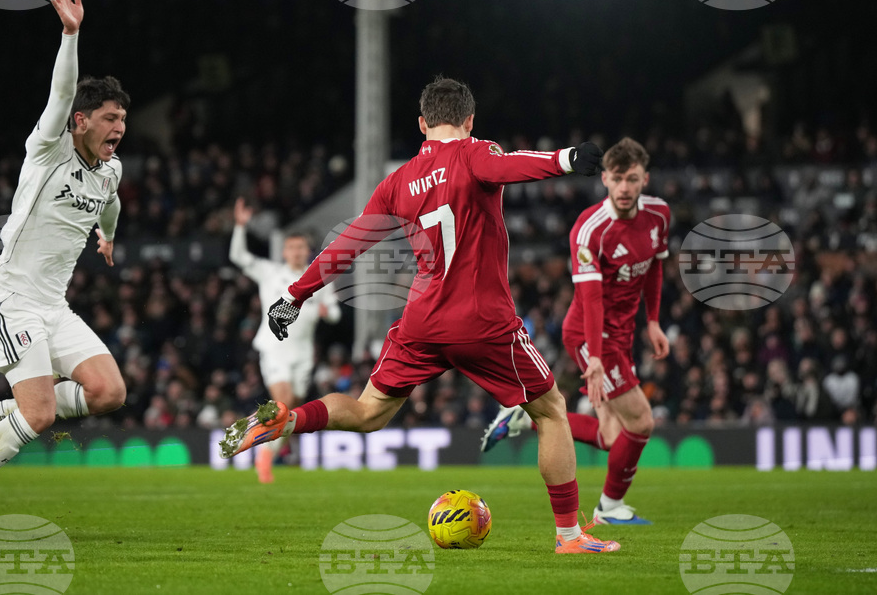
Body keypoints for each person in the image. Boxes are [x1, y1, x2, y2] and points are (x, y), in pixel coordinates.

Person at [220, 77, 621, 554]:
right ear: (469, 121)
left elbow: (349, 244)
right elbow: (512, 165)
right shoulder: (475, 152)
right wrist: (568, 158)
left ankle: (288, 421)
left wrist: (296, 294)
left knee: (369, 411)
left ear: (421, 123)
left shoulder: (396, 183)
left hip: (421, 321)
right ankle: (570, 537)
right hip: (482, 321)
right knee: (551, 412)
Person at [0, 0, 130, 544]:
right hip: (9, 298)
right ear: (82, 121)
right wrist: (70, 34)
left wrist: (107, 239)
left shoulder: (111, 171)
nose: (118, 128)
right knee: (37, 415)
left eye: (122, 120)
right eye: (109, 118)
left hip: (52, 306)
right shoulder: (49, 149)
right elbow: (60, 95)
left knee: (110, 393)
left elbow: (109, 206)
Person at [481, 137, 670, 525]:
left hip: (622, 334)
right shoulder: (589, 230)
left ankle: (524, 418)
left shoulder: (659, 216)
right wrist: (596, 358)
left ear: (644, 179)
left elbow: (654, 267)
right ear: (604, 179)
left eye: (632, 179)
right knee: (641, 421)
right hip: (589, 334)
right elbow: (591, 299)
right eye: (617, 179)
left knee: (611, 437)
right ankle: (609, 509)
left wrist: (652, 321)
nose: (624, 188)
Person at [230, 198, 342, 482]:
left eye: (300, 247)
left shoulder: (319, 278)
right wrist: (240, 227)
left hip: (303, 355)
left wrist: (328, 312)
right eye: (291, 248)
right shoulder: (271, 273)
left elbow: (336, 315)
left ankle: (272, 447)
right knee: (283, 403)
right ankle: (263, 455)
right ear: (284, 251)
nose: (295, 252)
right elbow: (239, 257)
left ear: (307, 251)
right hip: (274, 350)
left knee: (291, 410)